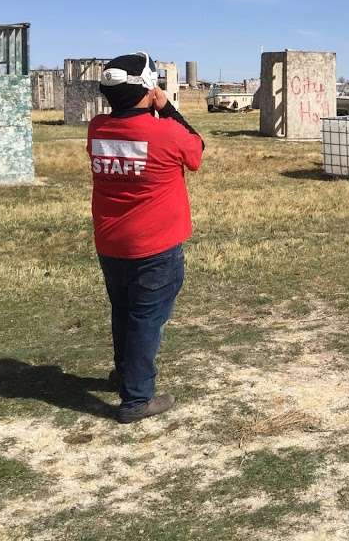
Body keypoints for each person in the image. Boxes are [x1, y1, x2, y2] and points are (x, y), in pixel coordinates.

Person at [87, 52, 204, 423]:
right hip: (154, 245)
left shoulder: (97, 128)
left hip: (111, 242)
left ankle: (124, 373)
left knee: (123, 310)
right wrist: (167, 109)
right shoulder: (164, 131)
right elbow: (196, 150)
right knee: (146, 317)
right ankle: (137, 398)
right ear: (149, 88)